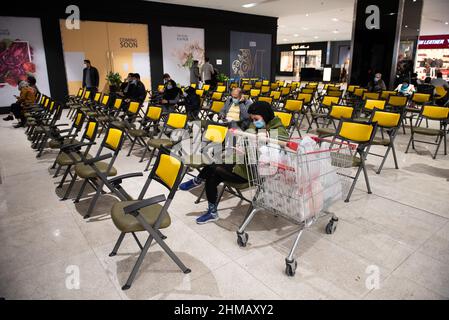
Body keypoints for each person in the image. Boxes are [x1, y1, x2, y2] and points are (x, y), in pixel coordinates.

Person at [179, 101, 289, 224]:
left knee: (215, 170)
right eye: (252, 119)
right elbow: (248, 136)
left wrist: (253, 144)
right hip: (242, 162)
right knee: (214, 170)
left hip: (255, 172)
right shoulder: (256, 125)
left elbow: (274, 150)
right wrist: (242, 146)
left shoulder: (279, 130)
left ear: (265, 114)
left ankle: (198, 181)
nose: (254, 122)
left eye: (256, 119)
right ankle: (211, 211)